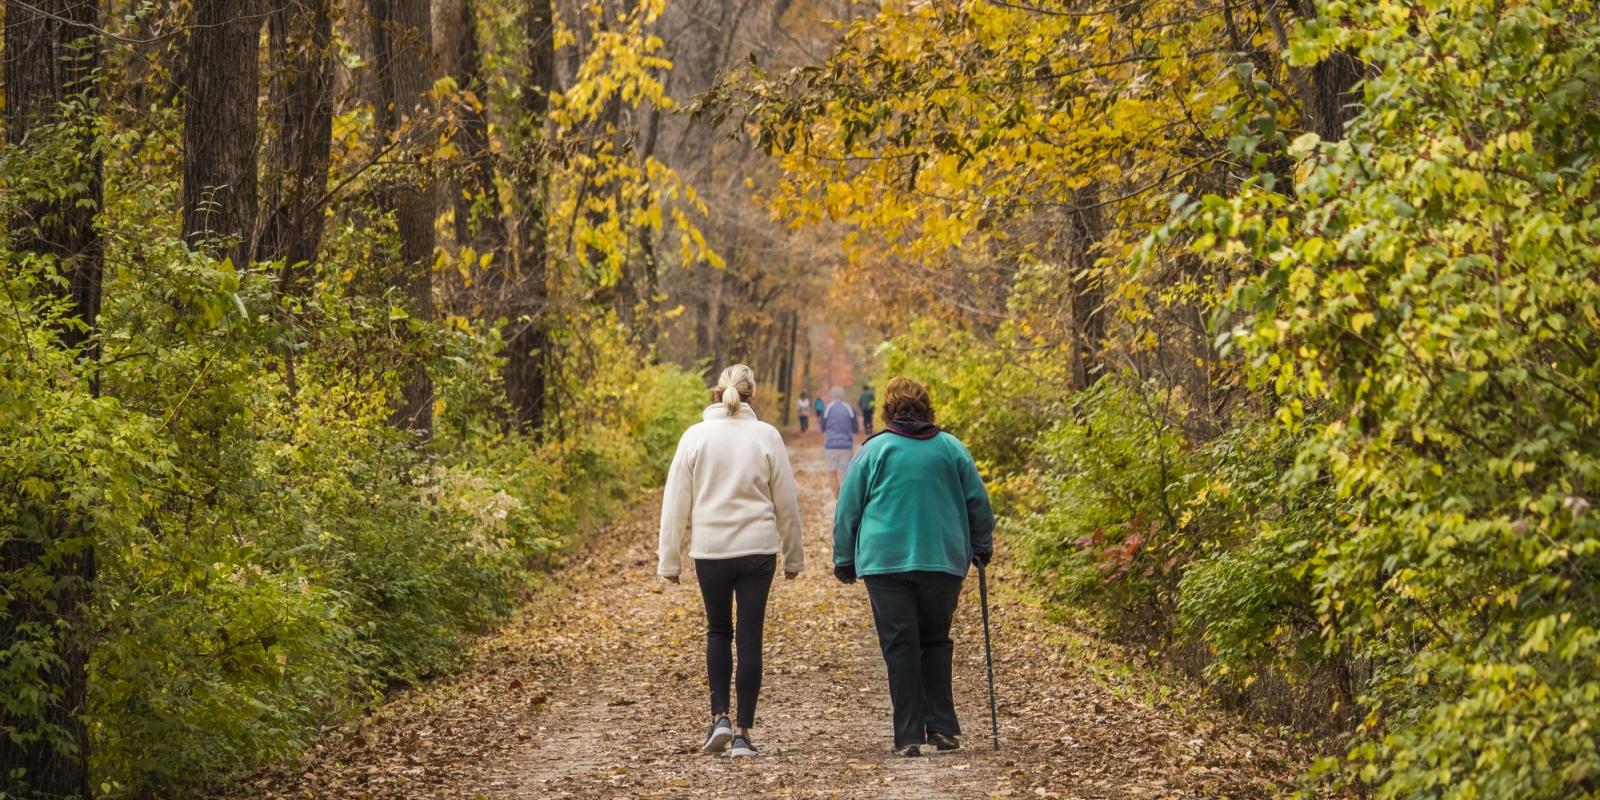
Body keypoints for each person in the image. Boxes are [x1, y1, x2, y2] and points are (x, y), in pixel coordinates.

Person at [831, 376, 994, 757]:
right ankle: (941, 728)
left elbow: (847, 508)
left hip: (885, 563)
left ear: (888, 410)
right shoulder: (952, 448)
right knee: (935, 641)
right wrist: (981, 544)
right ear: (927, 408)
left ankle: (907, 735)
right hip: (942, 559)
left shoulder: (874, 451)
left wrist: (844, 558)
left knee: (901, 645)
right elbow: (979, 503)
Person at [658, 364, 805, 758]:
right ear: (751, 395)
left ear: (716, 391)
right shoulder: (766, 436)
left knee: (719, 631)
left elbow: (675, 504)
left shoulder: (695, 437)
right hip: (758, 551)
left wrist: (669, 562)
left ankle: (719, 717)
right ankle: (743, 734)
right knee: (750, 635)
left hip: (712, 551)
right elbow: (786, 504)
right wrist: (794, 556)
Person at [821, 386, 859, 497]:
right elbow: (855, 428)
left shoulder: (827, 408)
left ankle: (836, 499)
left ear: (831, 396)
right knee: (845, 473)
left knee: (832, 472)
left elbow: (823, 427)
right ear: (842, 396)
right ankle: (844, 498)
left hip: (830, 446)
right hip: (846, 446)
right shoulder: (849, 408)